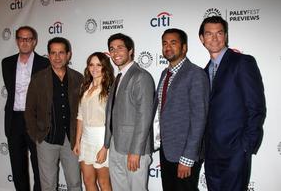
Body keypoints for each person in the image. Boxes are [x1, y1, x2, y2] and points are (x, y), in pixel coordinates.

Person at [199, 16, 266, 191]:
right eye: (209, 34)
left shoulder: (243, 62)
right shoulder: (204, 73)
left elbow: (256, 107)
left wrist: (245, 147)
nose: (214, 38)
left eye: (219, 33)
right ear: (202, 39)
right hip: (211, 153)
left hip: (236, 151)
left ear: (225, 36)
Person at [152, 28, 209, 191]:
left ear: (184, 47)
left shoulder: (196, 74)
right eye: (164, 43)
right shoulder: (165, 74)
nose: (167, 47)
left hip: (185, 153)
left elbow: (199, 119)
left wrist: (188, 157)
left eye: (173, 43)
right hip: (167, 150)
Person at [25, 37, 83, 191]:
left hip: (72, 141)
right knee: (48, 185)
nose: (57, 57)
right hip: (47, 139)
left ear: (68, 55)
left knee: (75, 183)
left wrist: (79, 137)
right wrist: (37, 136)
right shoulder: (38, 79)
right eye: (53, 53)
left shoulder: (78, 78)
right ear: (48, 55)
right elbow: (29, 110)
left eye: (61, 53)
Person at [100, 33, 155, 191]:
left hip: (133, 149)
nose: (115, 52)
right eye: (112, 49)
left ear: (131, 50)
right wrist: (107, 144)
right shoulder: (118, 77)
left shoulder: (140, 76)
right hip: (116, 146)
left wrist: (136, 151)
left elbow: (144, 117)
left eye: (120, 48)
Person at [1, 26, 49, 191]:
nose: (25, 42)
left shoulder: (44, 63)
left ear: (34, 42)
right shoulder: (6, 63)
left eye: (28, 39)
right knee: (17, 167)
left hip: (36, 122)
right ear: (16, 41)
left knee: (39, 167)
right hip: (14, 121)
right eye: (21, 38)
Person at [73, 52, 114, 191]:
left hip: (102, 139)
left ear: (105, 67)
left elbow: (112, 121)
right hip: (85, 139)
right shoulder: (85, 87)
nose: (94, 68)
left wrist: (105, 147)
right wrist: (77, 141)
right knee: (88, 181)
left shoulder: (110, 89)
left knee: (104, 183)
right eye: (91, 64)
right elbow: (80, 116)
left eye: (99, 65)